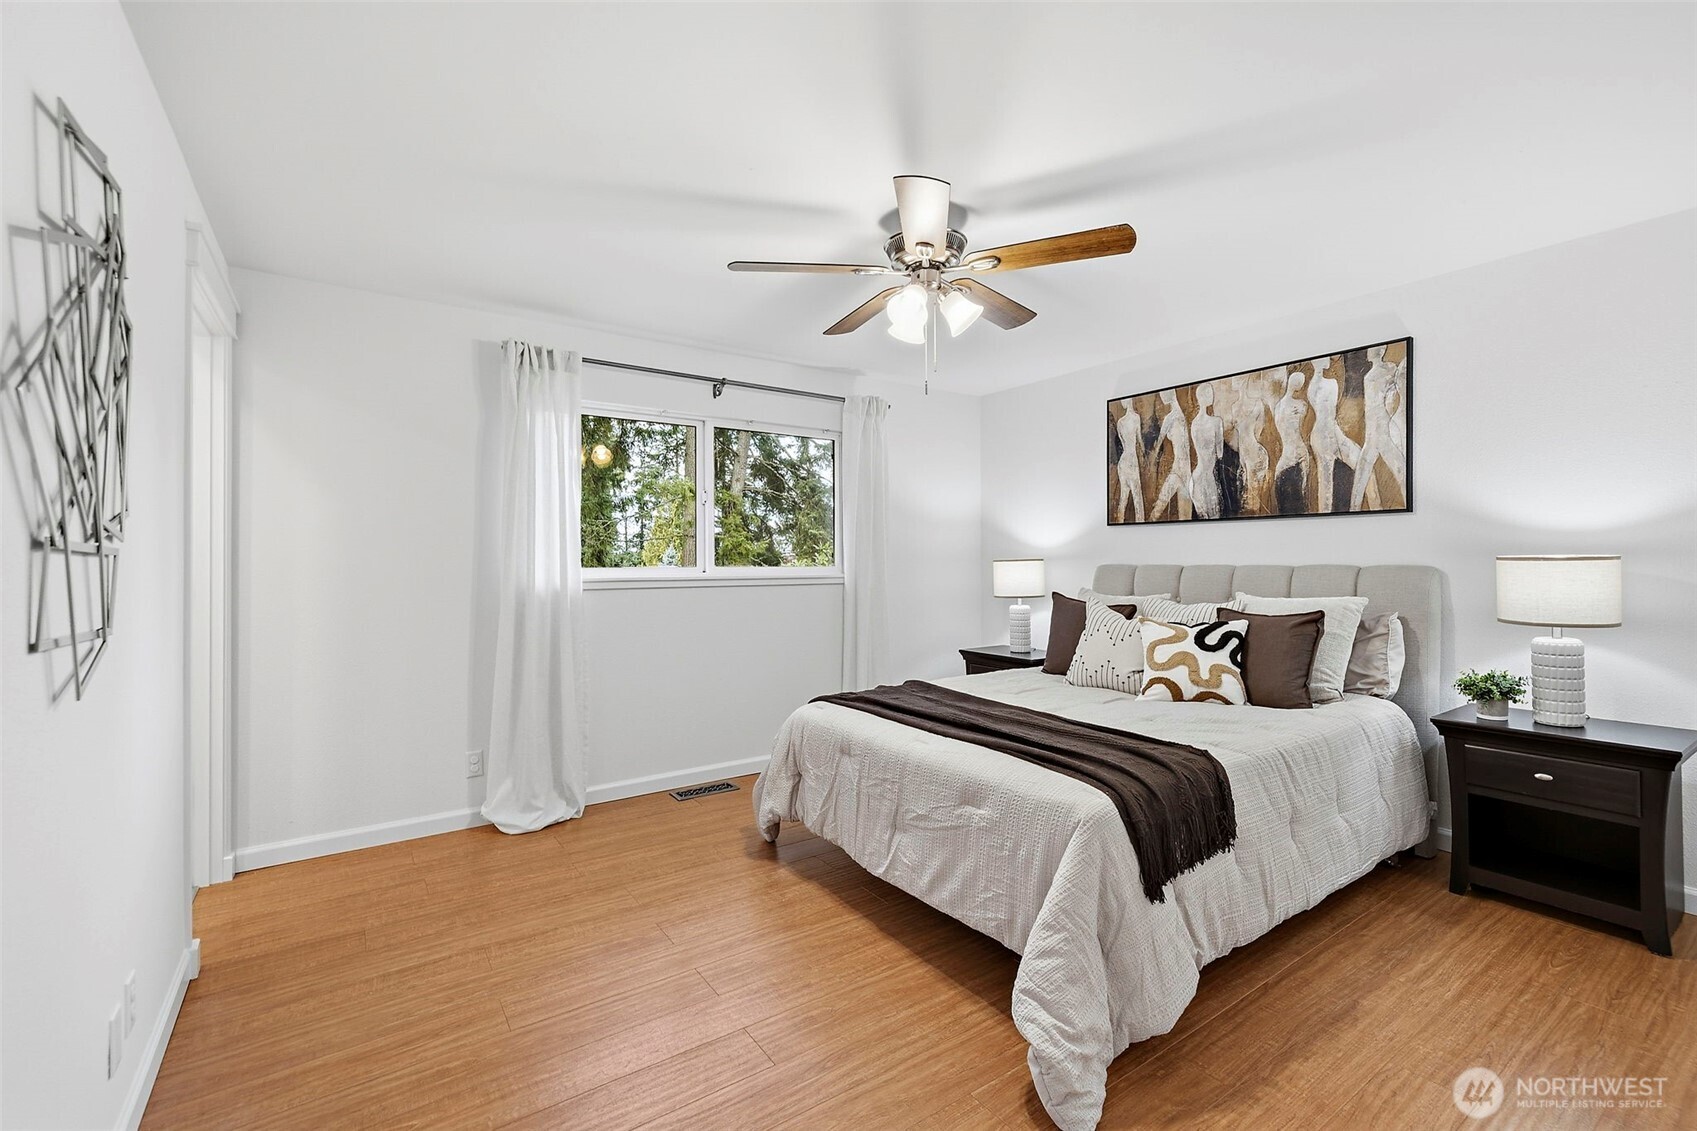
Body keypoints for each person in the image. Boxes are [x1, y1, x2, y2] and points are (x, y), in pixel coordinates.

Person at [1350, 345, 1407, 510]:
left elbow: (1399, 386)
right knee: (1361, 479)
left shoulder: (1389, 369)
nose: (1369, 352)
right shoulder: (1369, 376)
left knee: (1401, 473)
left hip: (1382, 434)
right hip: (1372, 436)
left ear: (1380, 352)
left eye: (1373, 350)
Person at [1306, 355, 1360, 514]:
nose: (1328, 360)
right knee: (1327, 480)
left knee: (1326, 481)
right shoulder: (1330, 384)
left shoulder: (1313, 387)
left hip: (1322, 433)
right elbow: (1330, 412)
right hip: (1327, 434)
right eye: (1324, 358)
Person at [1271, 368, 1312, 515]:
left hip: (1287, 458)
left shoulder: (1278, 407)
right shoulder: (1301, 405)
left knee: (1287, 502)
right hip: (1298, 456)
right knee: (1300, 499)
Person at [1149, 388, 1193, 522]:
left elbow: (1158, 445)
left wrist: (1151, 462)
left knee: (1159, 510)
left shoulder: (1172, 417)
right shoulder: (1180, 417)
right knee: (1184, 517)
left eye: (1163, 394)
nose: (1161, 397)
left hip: (1179, 470)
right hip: (1185, 470)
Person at [1189, 383, 1224, 520]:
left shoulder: (1194, 424)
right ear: (1201, 397)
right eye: (1209, 393)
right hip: (1208, 479)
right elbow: (1220, 453)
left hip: (1196, 478)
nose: (1212, 396)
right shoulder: (1216, 422)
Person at [1114, 403, 1147, 523]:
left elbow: (1123, 443)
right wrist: (1144, 454)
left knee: (1123, 499)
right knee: (1137, 499)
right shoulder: (1135, 418)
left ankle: (1119, 522)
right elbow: (1139, 440)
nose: (1122, 402)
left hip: (1123, 462)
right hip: (1132, 461)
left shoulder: (1120, 422)